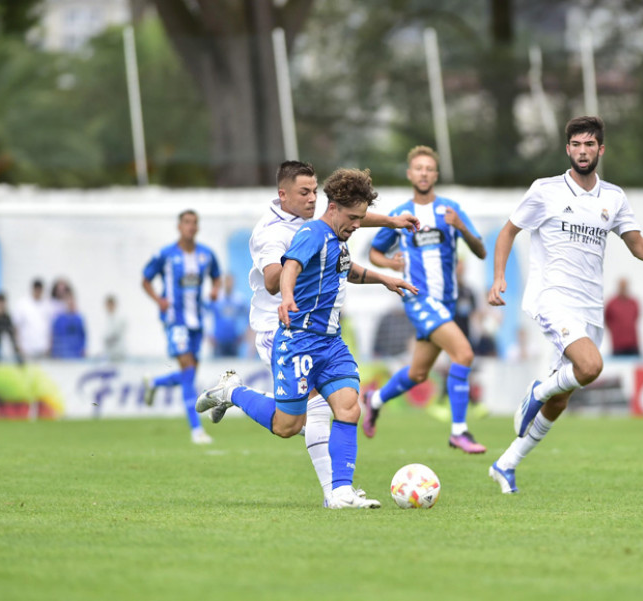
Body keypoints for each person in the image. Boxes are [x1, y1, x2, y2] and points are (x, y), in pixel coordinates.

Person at [486, 116, 643, 494]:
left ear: (601, 149)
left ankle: (507, 462)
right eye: (576, 145)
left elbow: (637, 244)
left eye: (589, 145)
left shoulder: (613, 197)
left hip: (589, 307)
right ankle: (537, 390)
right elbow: (508, 231)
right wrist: (499, 277)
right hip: (552, 297)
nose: (583, 151)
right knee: (590, 366)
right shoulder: (545, 190)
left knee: (560, 399)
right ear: (568, 149)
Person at [196, 160, 419, 507]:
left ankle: (340, 492)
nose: (312, 198)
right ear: (283, 194)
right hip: (290, 333)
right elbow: (285, 270)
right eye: (305, 192)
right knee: (291, 423)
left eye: (315, 191)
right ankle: (233, 391)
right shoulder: (296, 232)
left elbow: (347, 238)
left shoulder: (327, 227)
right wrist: (287, 294)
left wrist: (385, 271)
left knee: (348, 408)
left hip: (329, 339)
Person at [362, 145, 489, 454]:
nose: (423, 173)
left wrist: (461, 228)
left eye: (429, 168)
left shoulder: (450, 211)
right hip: (417, 298)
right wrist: (390, 264)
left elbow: (481, 250)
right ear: (410, 174)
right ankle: (459, 431)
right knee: (464, 353)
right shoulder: (400, 214)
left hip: (445, 302)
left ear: (435, 174)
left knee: (418, 373)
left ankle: (374, 400)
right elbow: (375, 251)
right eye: (418, 168)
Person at [142, 209, 221, 444]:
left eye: (194, 223)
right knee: (187, 369)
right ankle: (196, 430)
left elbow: (216, 276)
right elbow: (145, 278)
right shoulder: (166, 255)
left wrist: (215, 289)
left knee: (189, 374)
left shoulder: (206, 255)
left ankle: (155, 382)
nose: (191, 226)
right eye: (187, 222)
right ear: (179, 226)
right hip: (175, 320)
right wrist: (159, 300)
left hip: (196, 320)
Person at [206, 273, 249, 358]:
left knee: (233, 369)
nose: (229, 284)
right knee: (218, 367)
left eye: (230, 282)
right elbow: (204, 314)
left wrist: (244, 334)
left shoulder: (239, 300)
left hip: (234, 341)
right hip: (218, 341)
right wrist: (208, 335)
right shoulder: (216, 299)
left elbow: (249, 317)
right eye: (227, 281)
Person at [13, 279, 52, 360]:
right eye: (36, 290)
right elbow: (16, 327)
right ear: (33, 289)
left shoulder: (47, 304)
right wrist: (18, 347)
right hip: (27, 349)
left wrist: (49, 346)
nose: (38, 292)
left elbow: (50, 327)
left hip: (43, 349)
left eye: (40, 290)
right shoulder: (22, 304)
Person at [604, 277, 640, 356]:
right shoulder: (611, 303)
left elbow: (636, 317)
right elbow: (606, 320)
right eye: (621, 287)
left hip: (633, 344)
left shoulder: (633, 302)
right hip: (618, 346)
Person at [51, 292, 87, 359]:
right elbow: (55, 337)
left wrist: (83, 349)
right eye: (69, 302)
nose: (71, 304)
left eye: (72, 302)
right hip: (62, 354)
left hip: (76, 354)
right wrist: (55, 352)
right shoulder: (59, 319)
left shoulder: (79, 319)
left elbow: (83, 336)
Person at [102, 295, 127, 362]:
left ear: (114, 305)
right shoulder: (106, 320)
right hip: (110, 356)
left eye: (111, 305)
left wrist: (109, 339)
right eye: (108, 305)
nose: (109, 307)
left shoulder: (120, 319)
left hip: (120, 354)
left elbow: (117, 335)